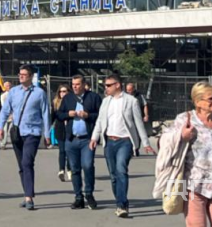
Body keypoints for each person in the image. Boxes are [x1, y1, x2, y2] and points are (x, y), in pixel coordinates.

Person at [155, 81, 212, 227]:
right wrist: (181, 136)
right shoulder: (185, 119)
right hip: (193, 183)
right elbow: (162, 143)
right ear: (197, 101)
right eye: (210, 99)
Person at [90, 74, 155, 218]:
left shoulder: (131, 101)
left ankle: (122, 205)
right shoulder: (105, 102)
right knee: (113, 175)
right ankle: (119, 199)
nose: (106, 88)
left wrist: (145, 143)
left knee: (121, 170)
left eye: (108, 85)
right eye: (105, 85)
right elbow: (100, 121)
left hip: (125, 141)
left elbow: (138, 122)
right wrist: (94, 137)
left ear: (117, 85)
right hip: (109, 141)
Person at [0, 64, 51, 211]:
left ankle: (29, 197)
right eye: (19, 74)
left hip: (32, 133)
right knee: (22, 165)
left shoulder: (39, 93)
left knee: (27, 162)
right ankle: (27, 192)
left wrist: (47, 134)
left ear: (31, 76)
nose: (20, 76)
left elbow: (45, 113)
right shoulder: (13, 92)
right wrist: (0, 128)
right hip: (16, 132)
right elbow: (5, 111)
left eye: (24, 74)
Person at [58, 74, 102, 210]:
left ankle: (89, 194)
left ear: (83, 85)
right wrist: (68, 114)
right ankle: (78, 197)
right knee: (74, 169)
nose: (75, 87)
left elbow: (101, 116)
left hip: (87, 139)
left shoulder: (93, 97)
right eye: (73, 84)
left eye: (77, 84)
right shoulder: (68, 98)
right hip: (72, 139)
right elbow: (59, 114)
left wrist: (88, 115)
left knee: (88, 166)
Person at [52, 84, 72, 182]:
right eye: (61, 91)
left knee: (69, 151)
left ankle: (69, 169)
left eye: (64, 91)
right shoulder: (55, 103)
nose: (62, 93)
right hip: (60, 129)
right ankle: (61, 170)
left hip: (70, 129)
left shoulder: (72, 102)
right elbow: (53, 116)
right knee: (62, 150)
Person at [126, 82, 152, 155]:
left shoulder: (139, 96)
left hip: (138, 118)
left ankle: (136, 148)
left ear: (133, 89)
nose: (128, 92)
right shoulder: (125, 97)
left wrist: (146, 115)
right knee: (129, 134)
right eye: (127, 90)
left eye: (130, 90)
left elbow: (145, 105)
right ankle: (130, 148)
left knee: (138, 134)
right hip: (129, 118)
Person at [0, 80, 12, 149]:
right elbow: (4, 106)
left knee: (13, 130)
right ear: (5, 87)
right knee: (5, 130)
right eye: (7, 86)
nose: (9, 87)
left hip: (13, 115)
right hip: (6, 115)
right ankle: (3, 144)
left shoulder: (14, 94)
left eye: (9, 85)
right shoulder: (3, 96)